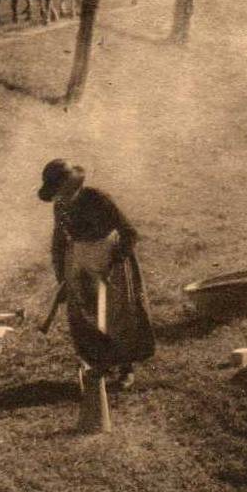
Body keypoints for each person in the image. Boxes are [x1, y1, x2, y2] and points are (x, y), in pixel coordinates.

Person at [37, 159, 154, 390]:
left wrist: (116, 260)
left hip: (111, 257)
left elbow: (129, 232)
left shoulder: (97, 198)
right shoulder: (60, 205)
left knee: (116, 314)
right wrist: (62, 275)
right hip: (81, 259)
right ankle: (99, 363)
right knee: (85, 314)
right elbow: (59, 240)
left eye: (62, 190)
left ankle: (125, 369)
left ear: (74, 185)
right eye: (56, 193)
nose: (59, 196)